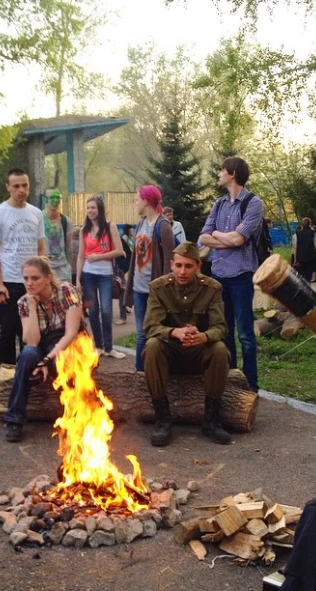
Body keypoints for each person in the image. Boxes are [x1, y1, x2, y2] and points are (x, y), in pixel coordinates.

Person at [143, 241, 230, 446]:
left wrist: (205, 336)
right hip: (171, 352)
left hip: (198, 351)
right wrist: (174, 332)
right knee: (152, 346)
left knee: (219, 350)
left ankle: (211, 420)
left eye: (189, 266)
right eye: (179, 265)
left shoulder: (212, 288)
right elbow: (150, 327)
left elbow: (221, 327)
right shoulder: (158, 287)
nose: (183, 271)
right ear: (171, 265)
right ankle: (163, 419)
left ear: (198, 267)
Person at [199, 157, 262, 392]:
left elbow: (240, 238)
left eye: (221, 170)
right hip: (218, 276)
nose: (219, 175)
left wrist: (218, 235)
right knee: (224, 333)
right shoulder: (219, 204)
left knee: (245, 335)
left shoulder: (253, 203)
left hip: (241, 276)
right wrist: (224, 237)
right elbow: (204, 237)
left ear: (232, 173)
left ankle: (251, 386)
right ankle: (232, 382)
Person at [3, 256, 82, 442]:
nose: (29, 283)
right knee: (27, 355)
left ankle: (75, 418)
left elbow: (70, 334)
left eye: (35, 278)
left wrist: (46, 360)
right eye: (26, 278)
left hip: (71, 346)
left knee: (63, 360)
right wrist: (31, 305)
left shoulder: (66, 291)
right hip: (42, 345)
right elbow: (31, 341)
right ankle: (14, 419)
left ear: (47, 277)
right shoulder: (23, 302)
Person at [0, 169, 46, 365]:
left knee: (30, 330)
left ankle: (28, 369)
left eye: (25, 185)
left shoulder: (36, 213)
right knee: (8, 329)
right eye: (17, 186)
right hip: (10, 281)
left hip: (33, 281)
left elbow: (41, 247)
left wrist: (45, 279)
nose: (21, 190)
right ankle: (8, 373)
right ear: (8, 187)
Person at [125, 185, 174, 371]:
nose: (135, 203)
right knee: (141, 334)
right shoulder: (140, 224)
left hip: (155, 291)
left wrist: (165, 292)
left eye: (137, 199)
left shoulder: (163, 227)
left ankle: (157, 371)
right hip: (138, 289)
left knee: (156, 333)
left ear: (146, 202)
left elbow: (170, 263)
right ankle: (140, 373)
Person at [75, 195, 125, 359]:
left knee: (106, 310)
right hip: (88, 275)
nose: (90, 211)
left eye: (93, 208)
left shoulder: (110, 226)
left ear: (100, 209)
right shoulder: (84, 230)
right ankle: (98, 346)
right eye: (88, 208)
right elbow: (81, 256)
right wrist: (77, 278)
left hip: (105, 275)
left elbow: (119, 251)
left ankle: (109, 347)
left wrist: (98, 256)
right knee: (93, 310)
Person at [43, 188, 73, 282]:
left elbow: (69, 247)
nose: (55, 201)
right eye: (52, 197)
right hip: (44, 270)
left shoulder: (66, 221)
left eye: (58, 197)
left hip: (63, 272)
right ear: (45, 199)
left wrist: (69, 267)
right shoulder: (37, 219)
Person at [114, 224, 133, 326]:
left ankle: (123, 316)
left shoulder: (119, 240)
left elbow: (129, 253)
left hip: (118, 269)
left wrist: (124, 267)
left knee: (121, 291)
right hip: (108, 270)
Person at [293, 217, 316, 283]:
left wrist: (295, 259)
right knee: (308, 276)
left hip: (301, 257)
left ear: (302, 224)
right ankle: (308, 288)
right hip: (311, 257)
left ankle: (303, 289)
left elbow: (295, 247)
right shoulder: (313, 233)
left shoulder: (297, 234)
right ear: (310, 224)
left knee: (302, 276)